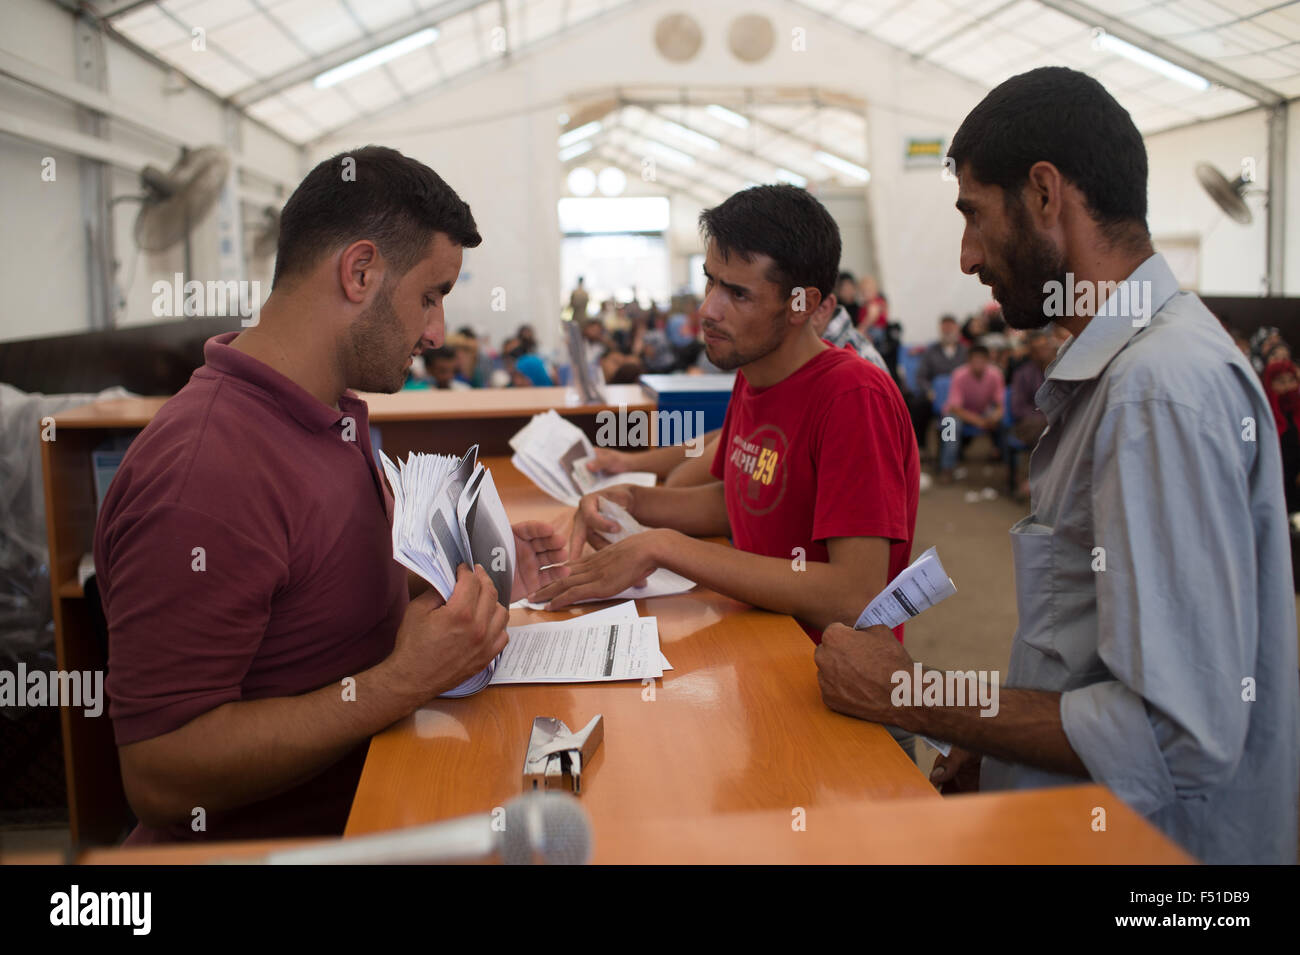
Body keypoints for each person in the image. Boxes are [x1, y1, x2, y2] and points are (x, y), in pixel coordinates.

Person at [813, 66, 1299, 865]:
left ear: (1045, 194)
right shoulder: (1133, 373)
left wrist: (915, 693)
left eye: (974, 214)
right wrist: (1007, 750)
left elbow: (1174, 736)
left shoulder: (1155, 392)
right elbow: (1089, 658)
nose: (967, 256)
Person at [93, 146, 569, 844]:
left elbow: (314, 594)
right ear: (360, 272)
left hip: (381, 802)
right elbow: (161, 772)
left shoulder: (326, 412)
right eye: (430, 296)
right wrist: (400, 683)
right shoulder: (204, 473)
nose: (437, 332)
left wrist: (468, 570)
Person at [531, 184, 919, 651]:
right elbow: (739, 501)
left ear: (803, 303)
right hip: (762, 638)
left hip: (823, 668)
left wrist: (664, 545)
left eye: (737, 293)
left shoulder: (852, 397)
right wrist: (632, 501)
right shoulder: (755, 373)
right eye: (710, 281)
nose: (708, 309)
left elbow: (854, 596)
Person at [937, 343, 1005, 479]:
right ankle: (946, 468)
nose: (978, 363)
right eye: (975, 360)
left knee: (1003, 422)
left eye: (982, 360)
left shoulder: (996, 374)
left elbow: (1000, 404)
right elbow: (955, 408)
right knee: (950, 424)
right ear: (968, 360)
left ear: (987, 360)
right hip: (957, 412)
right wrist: (980, 422)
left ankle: (1002, 459)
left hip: (982, 411)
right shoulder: (958, 374)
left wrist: (996, 416)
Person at [1264, 358, 1300, 513]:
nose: (1287, 386)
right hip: (1276, 489)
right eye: (1281, 382)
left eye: (1291, 380)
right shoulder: (1263, 415)